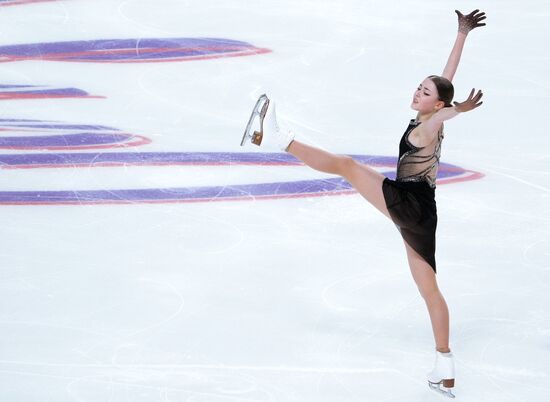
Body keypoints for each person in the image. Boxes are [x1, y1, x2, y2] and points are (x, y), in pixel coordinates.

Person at [241, 9, 486, 398]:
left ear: (436, 106)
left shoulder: (431, 122)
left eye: (424, 92)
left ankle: (279, 139)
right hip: (423, 212)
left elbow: (446, 113)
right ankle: (445, 366)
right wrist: (461, 35)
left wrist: (461, 110)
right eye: (419, 87)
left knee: (347, 166)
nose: (417, 92)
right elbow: (446, 81)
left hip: (409, 202)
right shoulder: (432, 109)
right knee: (429, 290)